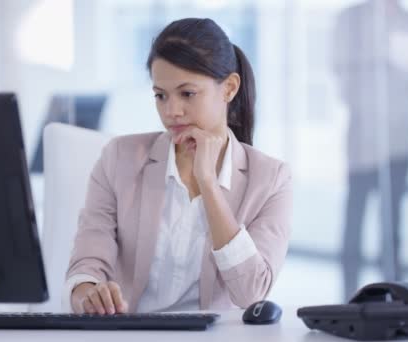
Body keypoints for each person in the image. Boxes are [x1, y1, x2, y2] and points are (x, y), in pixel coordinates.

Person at [62, 18, 292, 315]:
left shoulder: (271, 179)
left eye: (187, 94)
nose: (171, 111)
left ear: (229, 88)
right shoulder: (119, 158)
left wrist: (208, 183)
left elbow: (251, 293)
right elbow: (87, 262)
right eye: (161, 96)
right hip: (131, 335)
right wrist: (88, 294)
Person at [332, 0, 408, 301]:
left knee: (393, 224)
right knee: (355, 217)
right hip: (363, 136)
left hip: (399, 138)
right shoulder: (350, 19)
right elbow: (341, 74)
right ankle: (347, 297)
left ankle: (396, 295)